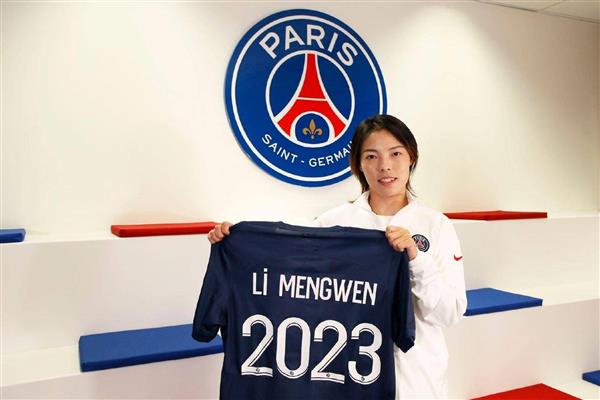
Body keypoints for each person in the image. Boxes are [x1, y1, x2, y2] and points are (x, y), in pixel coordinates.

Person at [207, 114, 467, 399]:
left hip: (416, 380)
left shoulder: (436, 225)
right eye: (371, 156)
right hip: (347, 378)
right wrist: (236, 242)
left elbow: (450, 313)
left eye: (396, 153)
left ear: (411, 157)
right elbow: (288, 275)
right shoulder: (333, 223)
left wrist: (417, 260)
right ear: (358, 165)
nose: (385, 166)